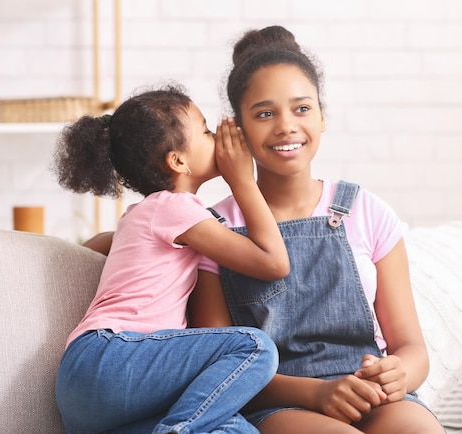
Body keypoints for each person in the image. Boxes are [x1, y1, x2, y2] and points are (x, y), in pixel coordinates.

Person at [187, 26, 445, 433]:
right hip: (279, 401)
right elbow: (218, 370)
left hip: (369, 392)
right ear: (237, 129)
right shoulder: (214, 229)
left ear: (323, 116)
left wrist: (400, 375)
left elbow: (412, 349)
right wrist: (317, 394)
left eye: (302, 109)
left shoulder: (367, 211)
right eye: (265, 113)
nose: (286, 126)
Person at [52, 84, 290, 434]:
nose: (217, 138)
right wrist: (242, 180)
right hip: (110, 360)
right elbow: (274, 263)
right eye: (207, 131)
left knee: (237, 430)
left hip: (90, 390)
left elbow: (98, 243)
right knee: (255, 346)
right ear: (178, 161)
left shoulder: (144, 214)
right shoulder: (177, 208)